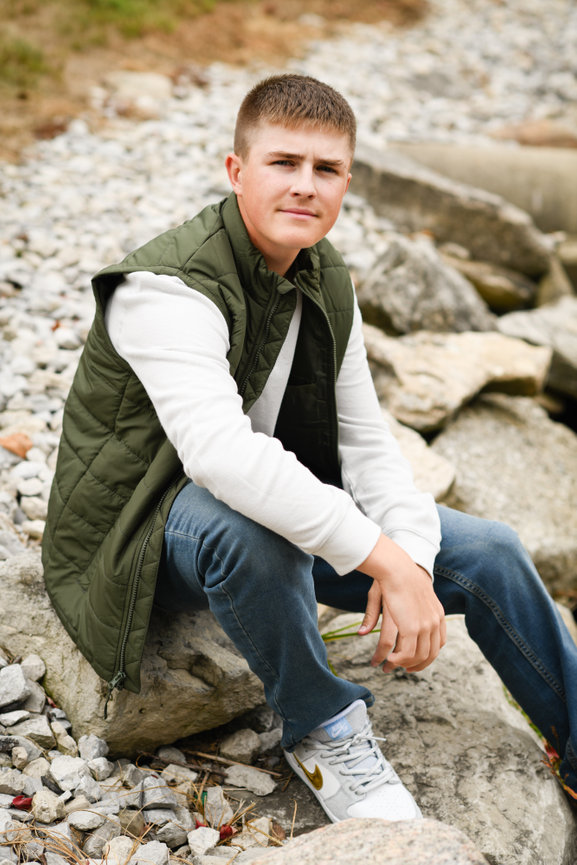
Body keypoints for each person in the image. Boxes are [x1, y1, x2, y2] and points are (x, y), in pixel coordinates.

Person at [42, 74, 577, 823]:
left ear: (346, 182)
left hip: (261, 507)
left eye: (324, 169)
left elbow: (366, 440)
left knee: (487, 549)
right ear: (236, 171)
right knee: (250, 529)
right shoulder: (163, 289)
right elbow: (220, 458)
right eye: (283, 163)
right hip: (140, 533)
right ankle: (322, 728)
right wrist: (380, 558)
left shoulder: (325, 275)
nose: (304, 185)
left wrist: (414, 565)